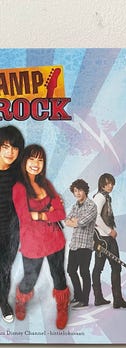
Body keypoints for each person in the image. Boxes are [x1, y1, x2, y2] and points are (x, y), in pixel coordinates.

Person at [12, 144, 69, 329]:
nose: (36, 163)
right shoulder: (19, 187)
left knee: (59, 276)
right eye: (32, 159)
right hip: (32, 243)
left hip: (55, 240)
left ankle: (62, 306)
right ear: (24, 161)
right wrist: (48, 211)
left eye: (40, 160)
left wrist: (39, 214)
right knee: (30, 278)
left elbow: (61, 213)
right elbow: (24, 218)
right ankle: (21, 301)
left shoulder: (46, 184)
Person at [91, 173, 126, 309]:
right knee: (101, 268)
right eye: (107, 183)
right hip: (104, 238)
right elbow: (95, 217)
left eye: (112, 183)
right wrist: (109, 231)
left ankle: (115, 299)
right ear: (102, 184)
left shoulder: (106, 197)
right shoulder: (100, 197)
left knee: (112, 267)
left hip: (106, 237)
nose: (110, 186)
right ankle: (102, 298)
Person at [0, 125, 24, 323]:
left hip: (10, 232)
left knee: (4, 269)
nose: (10, 152)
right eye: (5, 147)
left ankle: (3, 302)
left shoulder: (19, 174)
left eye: (15, 148)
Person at [65, 179, 97, 309]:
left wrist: (75, 221)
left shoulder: (91, 206)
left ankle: (84, 300)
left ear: (85, 190)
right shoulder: (75, 205)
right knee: (71, 270)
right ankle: (78, 296)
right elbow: (67, 221)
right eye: (75, 191)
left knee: (84, 272)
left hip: (85, 245)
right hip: (74, 244)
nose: (77, 193)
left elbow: (82, 222)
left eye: (80, 190)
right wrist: (74, 221)